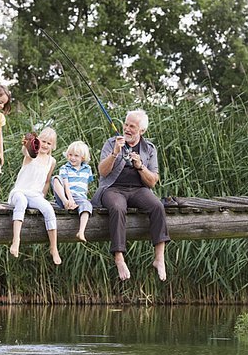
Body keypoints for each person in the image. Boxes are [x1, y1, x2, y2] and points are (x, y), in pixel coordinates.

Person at [92, 109, 170, 281]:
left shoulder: (149, 148)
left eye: (132, 126)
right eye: (125, 124)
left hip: (138, 190)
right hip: (113, 188)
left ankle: (159, 258)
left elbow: (152, 181)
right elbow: (102, 172)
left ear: (141, 131)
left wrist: (140, 166)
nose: (126, 129)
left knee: (157, 206)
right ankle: (119, 257)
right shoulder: (112, 142)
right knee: (118, 207)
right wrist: (114, 153)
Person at [8, 127, 62, 265]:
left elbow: (47, 181)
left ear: (53, 146)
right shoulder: (31, 154)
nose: (45, 145)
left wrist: (42, 197)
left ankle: (53, 247)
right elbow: (25, 150)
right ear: (38, 141)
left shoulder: (52, 161)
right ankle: (16, 240)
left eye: (49, 143)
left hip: (35, 195)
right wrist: (27, 143)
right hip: (19, 192)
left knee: (49, 209)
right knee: (21, 202)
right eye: (43, 141)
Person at [52, 140, 94, 242]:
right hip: (66, 196)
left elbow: (86, 185)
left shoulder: (87, 169)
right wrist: (69, 200)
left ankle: (81, 231)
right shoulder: (65, 168)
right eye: (70, 155)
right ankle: (67, 204)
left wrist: (84, 199)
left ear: (82, 157)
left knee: (87, 206)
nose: (72, 158)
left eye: (76, 156)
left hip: (79, 198)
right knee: (56, 178)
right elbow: (66, 185)